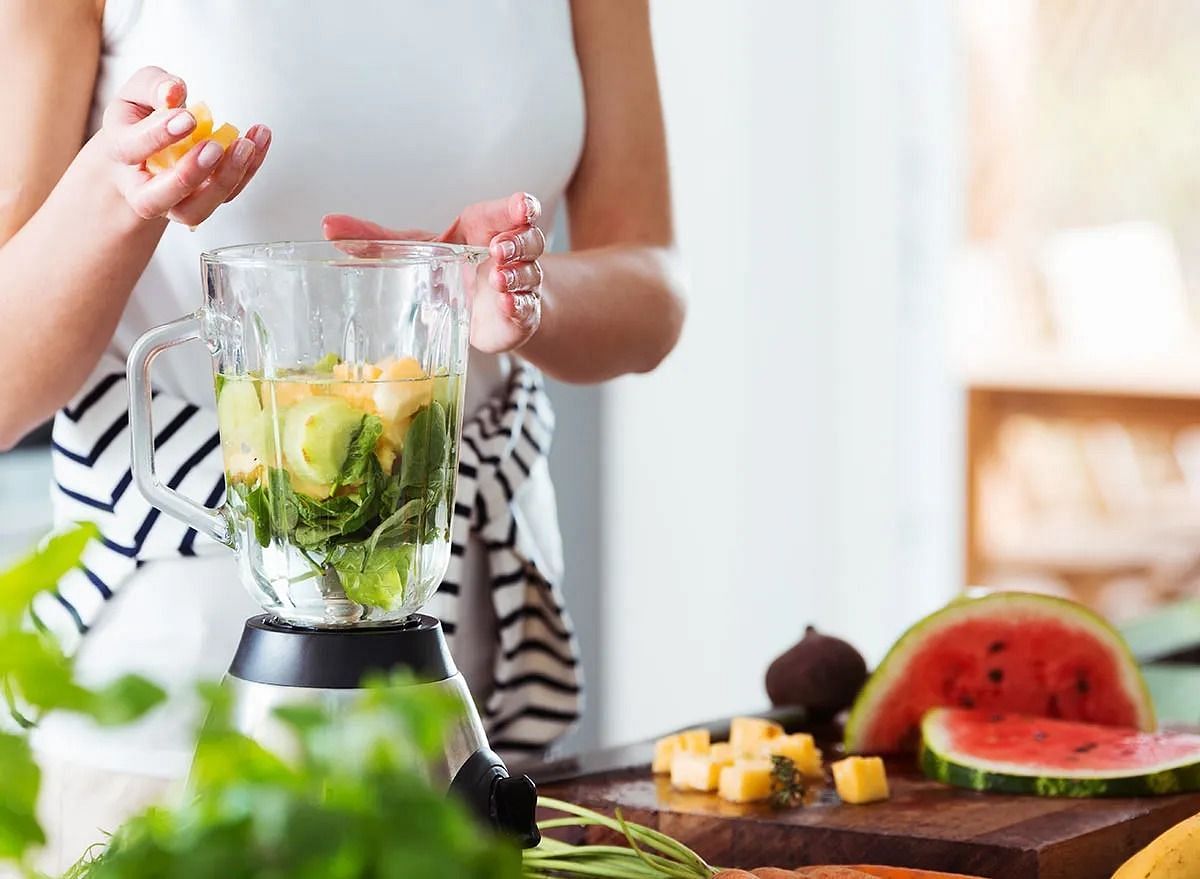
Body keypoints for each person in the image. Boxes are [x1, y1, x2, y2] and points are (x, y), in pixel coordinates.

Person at [0, 0, 683, 869]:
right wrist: (121, 193)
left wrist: (514, 295)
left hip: (468, 692)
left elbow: (653, 283)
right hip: (163, 726)